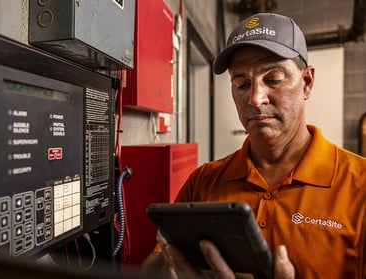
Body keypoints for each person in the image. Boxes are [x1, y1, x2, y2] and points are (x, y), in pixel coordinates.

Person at [141, 12, 366, 279]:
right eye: (242, 84)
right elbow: (153, 265)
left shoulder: (359, 187)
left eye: (273, 78)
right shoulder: (204, 181)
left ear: (306, 83)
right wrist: (171, 268)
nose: (255, 98)